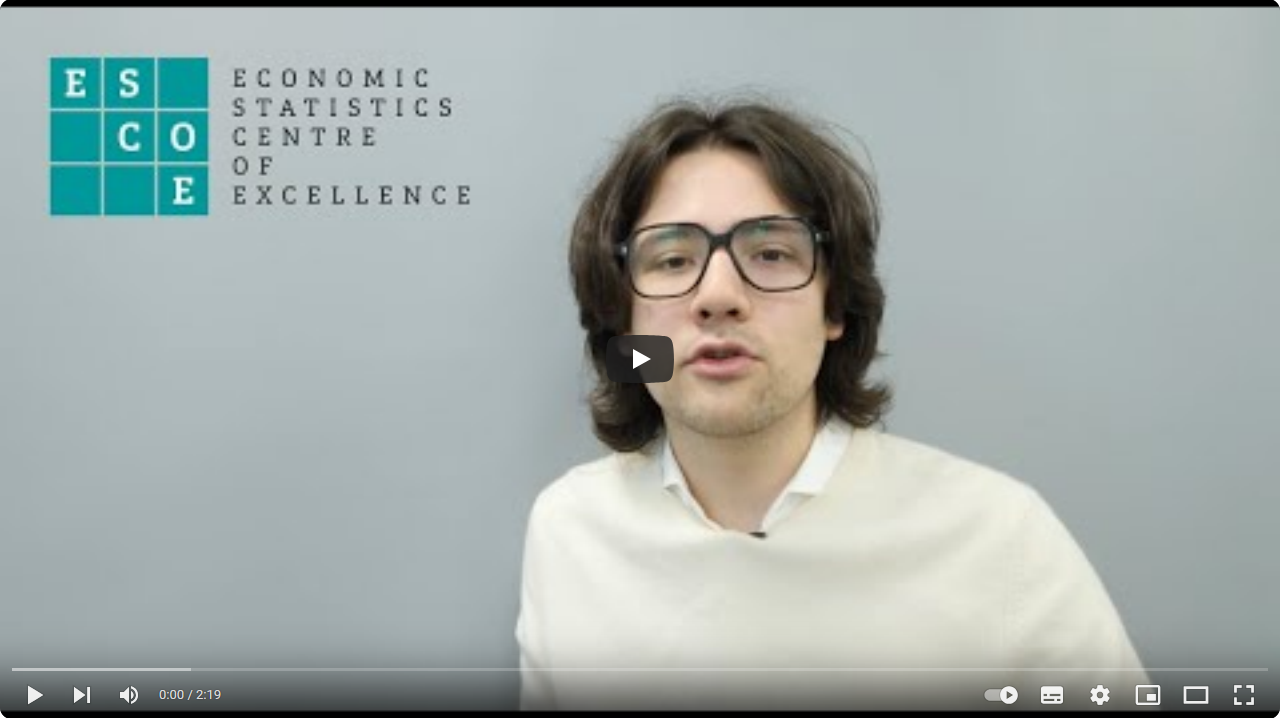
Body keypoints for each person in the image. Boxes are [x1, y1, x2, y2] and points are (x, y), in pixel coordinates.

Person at [515, 95, 1147, 710]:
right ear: (625, 327)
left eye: (770, 253)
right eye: (674, 259)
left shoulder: (999, 538)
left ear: (835, 309)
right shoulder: (571, 532)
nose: (718, 296)